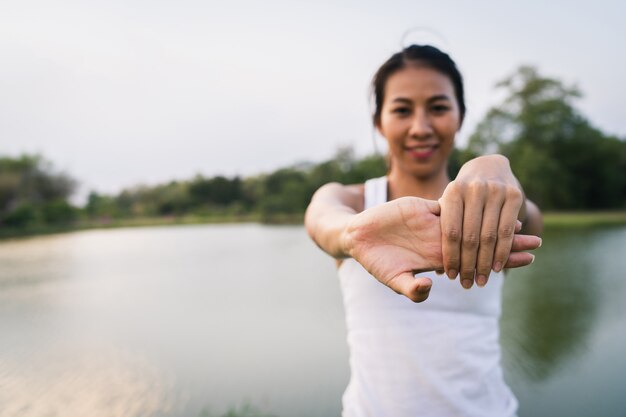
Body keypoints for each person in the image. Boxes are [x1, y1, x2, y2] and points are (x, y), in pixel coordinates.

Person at [304, 45, 543, 417]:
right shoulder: (352, 201)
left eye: (438, 107)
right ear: (379, 121)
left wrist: (499, 172)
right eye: (402, 110)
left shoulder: (495, 210)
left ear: (460, 116)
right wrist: (353, 234)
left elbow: (528, 215)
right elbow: (322, 220)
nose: (421, 127)